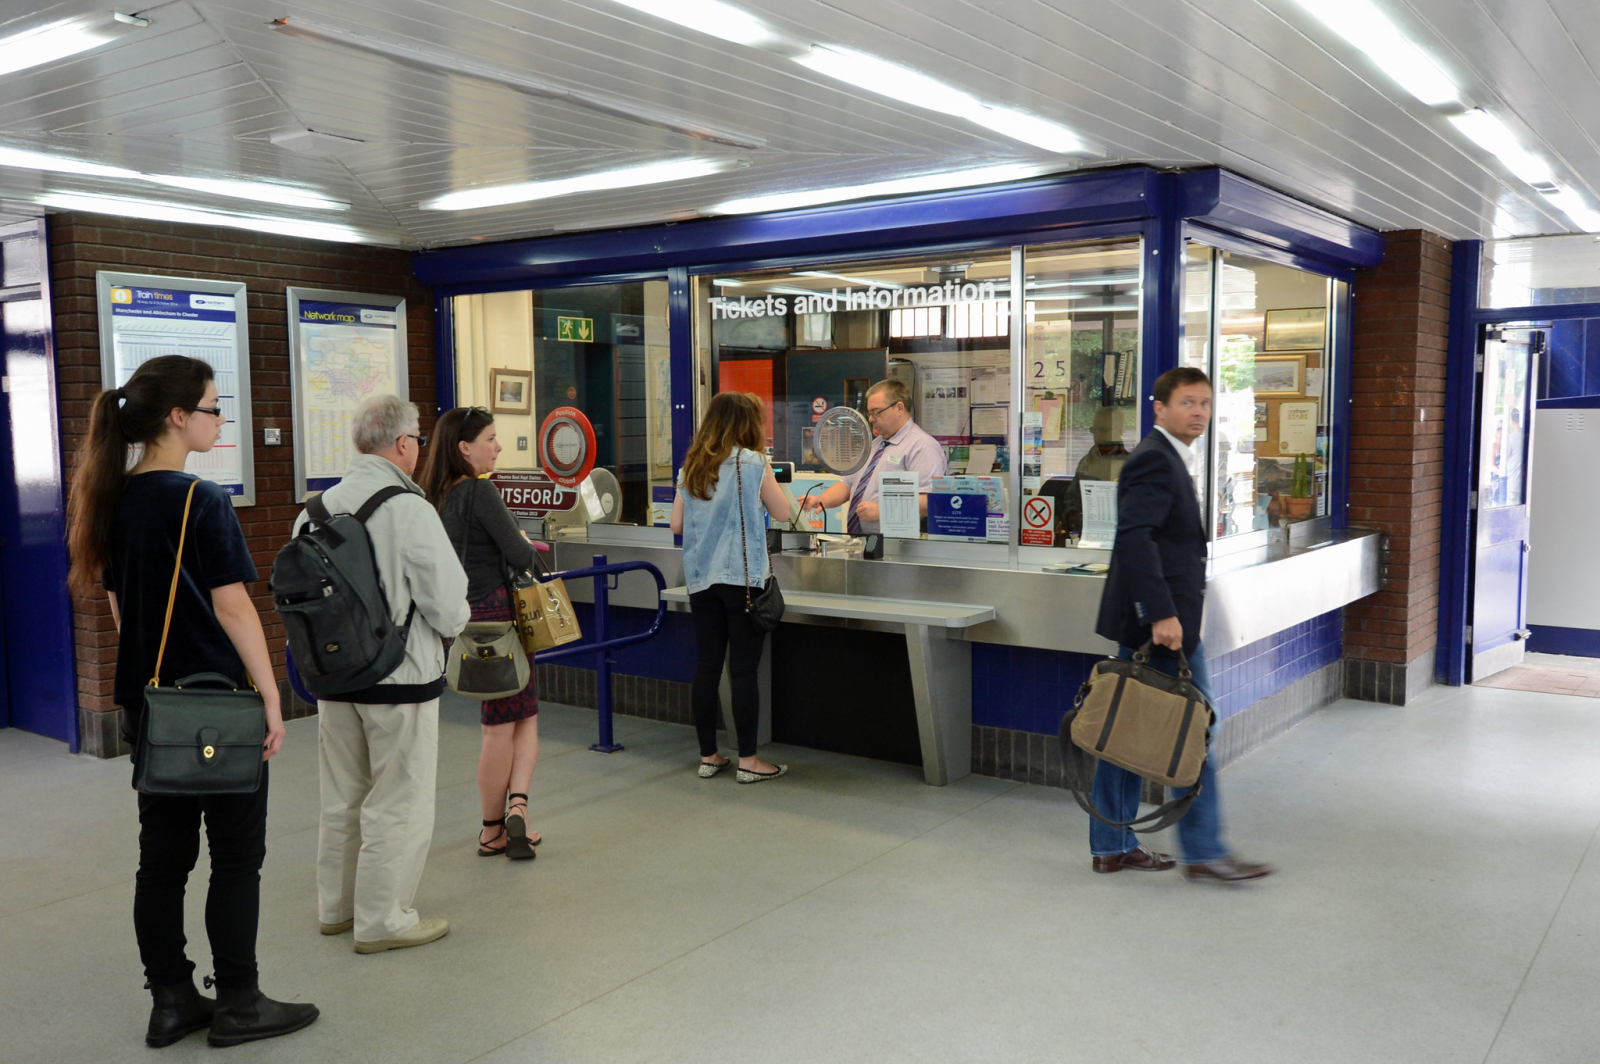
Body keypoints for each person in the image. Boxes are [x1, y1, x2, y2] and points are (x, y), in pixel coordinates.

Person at [66, 355, 318, 1048]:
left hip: (153, 708)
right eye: (213, 406)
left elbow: (122, 611)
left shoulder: (111, 499)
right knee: (237, 857)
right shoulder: (199, 499)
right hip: (219, 707)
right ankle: (239, 1001)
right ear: (178, 417)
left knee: (163, 858)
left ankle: (172, 999)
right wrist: (271, 695)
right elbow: (234, 607)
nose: (220, 419)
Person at [295, 395, 471, 953]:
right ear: (402, 444)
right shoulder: (409, 507)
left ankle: (338, 908)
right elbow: (446, 606)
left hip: (334, 676)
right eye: (416, 438)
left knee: (343, 795)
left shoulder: (314, 510)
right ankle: (384, 919)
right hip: (401, 677)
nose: (419, 447)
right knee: (399, 798)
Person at [1089, 366, 1273, 883]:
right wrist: (1164, 614)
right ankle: (1204, 851)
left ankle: (1111, 844)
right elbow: (1136, 539)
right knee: (1197, 731)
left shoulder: (1170, 456)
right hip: (1162, 626)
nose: (1199, 412)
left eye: (1206, 403)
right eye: (1188, 402)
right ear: (1160, 408)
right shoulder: (1154, 459)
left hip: (1156, 621)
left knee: (1123, 729)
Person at [419, 406, 541, 860]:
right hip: (502, 618)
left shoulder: (435, 494)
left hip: (461, 617)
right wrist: (526, 546)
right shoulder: (480, 492)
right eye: (491, 438)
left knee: (497, 721)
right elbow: (518, 553)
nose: (499, 446)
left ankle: (500, 822)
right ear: (464, 447)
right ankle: (509, 816)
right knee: (516, 720)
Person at [671, 392, 794, 783]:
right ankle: (749, 761)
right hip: (742, 582)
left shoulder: (692, 465)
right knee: (742, 671)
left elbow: (676, 525)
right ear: (749, 424)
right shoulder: (754, 462)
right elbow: (783, 512)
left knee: (707, 667)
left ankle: (709, 756)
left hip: (700, 579)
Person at [802, 379, 947, 533]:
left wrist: (883, 510)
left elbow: (930, 500)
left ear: (899, 408)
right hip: (865, 543)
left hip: (899, 546)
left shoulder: (922, 447)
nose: (871, 419)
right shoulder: (874, 445)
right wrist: (822, 500)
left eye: (876, 412)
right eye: (869, 413)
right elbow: (848, 484)